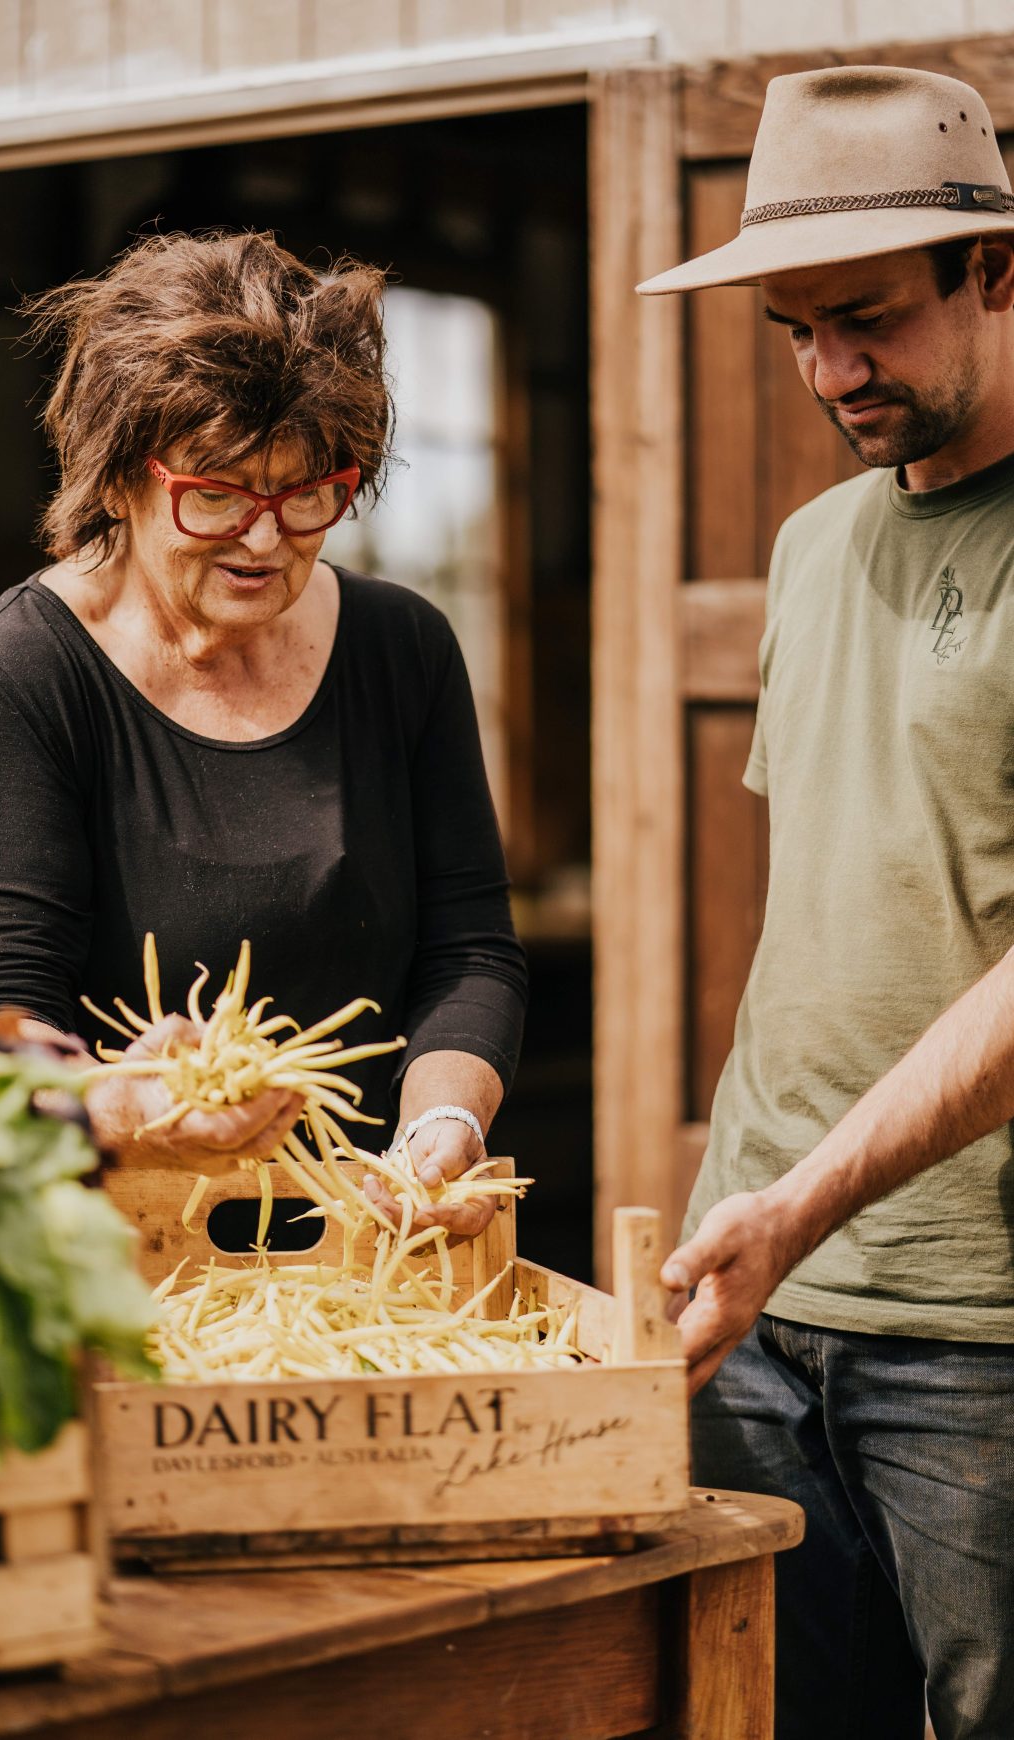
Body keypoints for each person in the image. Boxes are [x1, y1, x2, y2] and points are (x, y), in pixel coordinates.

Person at [638, 67, 1014, 1740]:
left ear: (996, 270)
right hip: (763, 1320)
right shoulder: (809, 549)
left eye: (866, 318)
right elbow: (824, 915)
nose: (830, 370)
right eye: (795, 330)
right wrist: (746, 1206)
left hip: (979, 1341)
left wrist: (797, 1205)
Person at [0, 230, 526, 1236]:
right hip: (124, 1262)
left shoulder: (399, 647)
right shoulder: (20, 677)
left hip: (371, 1248)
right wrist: (128, 1105)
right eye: (215, 496)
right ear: (118, 479)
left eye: (305, 493)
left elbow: (469, 951)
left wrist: (442, 1125)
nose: (263, 536)